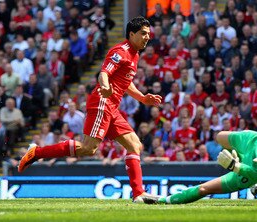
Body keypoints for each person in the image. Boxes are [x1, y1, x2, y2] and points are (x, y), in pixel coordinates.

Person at [18, 17, 162, 203]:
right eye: (143, 33)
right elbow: (104, 73)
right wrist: (105, 86)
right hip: (102, 102)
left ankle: (138, 194)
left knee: (135, 144)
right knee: (88, 148)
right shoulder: (120, 51)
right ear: (131, 34)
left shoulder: (134, 54)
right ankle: (37, 152)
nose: (147, 37)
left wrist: (142, 97)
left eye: (148, 34)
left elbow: (125, 82)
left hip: (112, 107)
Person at [145, 94, 257, 204]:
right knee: (220, 137)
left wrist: (236, 167)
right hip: (252, 142)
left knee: (203, 190)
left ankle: (162, 200)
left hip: (253, 169)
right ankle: (243, 163)